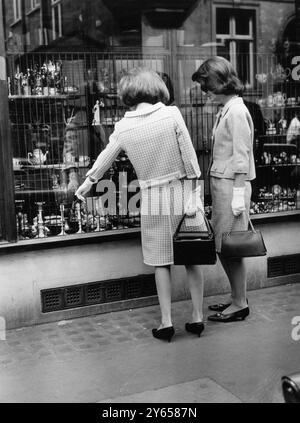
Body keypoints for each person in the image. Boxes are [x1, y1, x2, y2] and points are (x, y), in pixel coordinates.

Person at [75, 67, 206, 342]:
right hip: (182, 191)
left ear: (127, 93)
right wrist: (195, 193)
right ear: (155, 87)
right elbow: (190, 157)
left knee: (161, 262)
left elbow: (105, 157)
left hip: (152, 197)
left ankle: (166, 322)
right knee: (192, 256)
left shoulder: (123, 127)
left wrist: (88, 183)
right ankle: (196, 318)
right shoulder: (171, 114)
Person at [192, 56, 256, 322]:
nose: (205, 93)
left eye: (207, 86)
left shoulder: (237, 111)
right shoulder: (228, 108)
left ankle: (240, 303)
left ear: (220, 82)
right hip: (225, 186)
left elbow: (242, 156)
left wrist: (239, 195)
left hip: (232, 188)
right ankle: (236, 297)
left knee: (230, 248)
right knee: (225, 246)